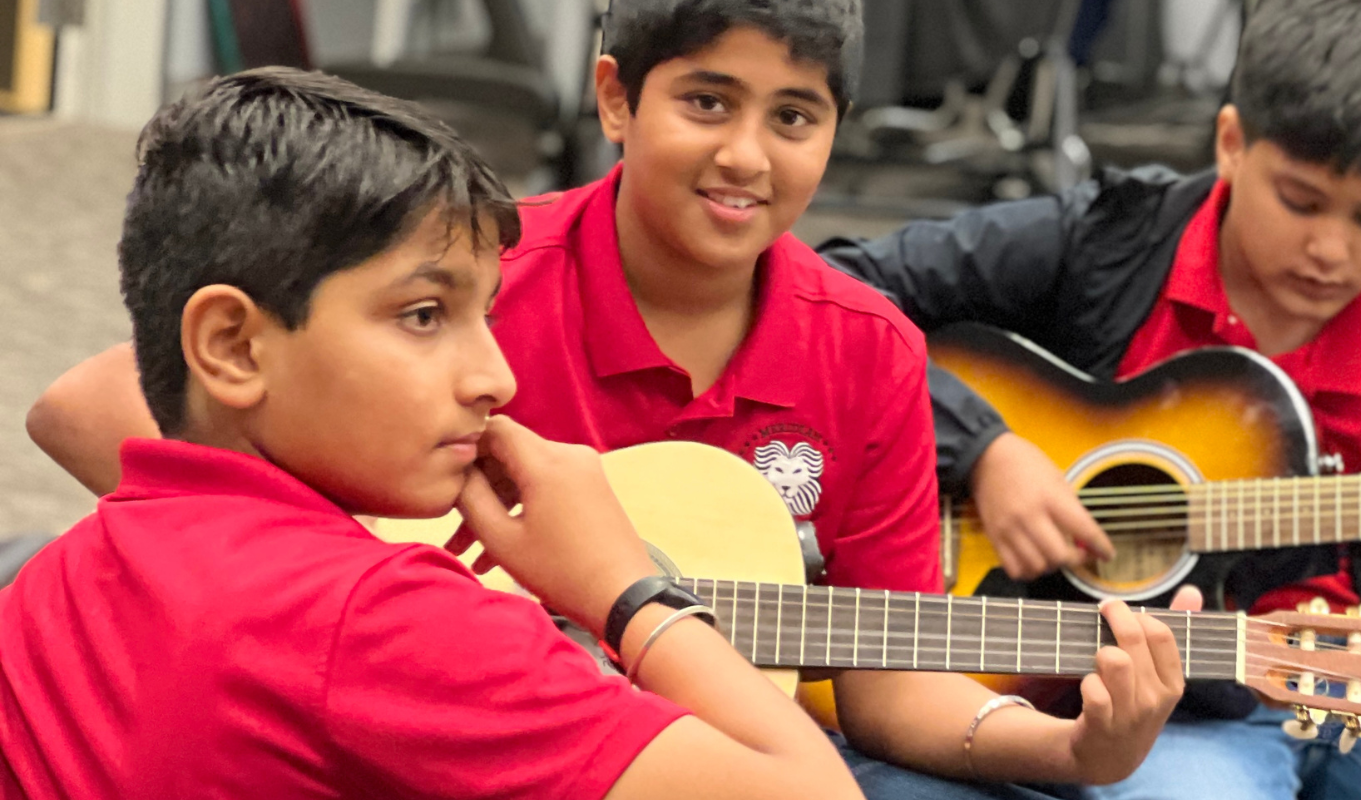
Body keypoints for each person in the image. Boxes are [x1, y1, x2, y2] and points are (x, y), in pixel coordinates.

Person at [23, 3, 1191, 798]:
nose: (745, 154)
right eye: (707, 102)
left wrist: (1072, 743)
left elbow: (889, 674)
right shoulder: (478, 253)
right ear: (615, 99)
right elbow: (94, 403)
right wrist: (570, 582)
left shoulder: (867, 345)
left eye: (793, 116)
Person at [0, 67, 864, 799]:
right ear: (232, 345)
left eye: (483, 314)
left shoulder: (62, 574)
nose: (497, 377)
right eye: (423, 314)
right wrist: (628, 589)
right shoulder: (381, 622)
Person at [817, 0, 1361, 797]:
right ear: (1232, 142)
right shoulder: (1110, 238)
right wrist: (986, 449)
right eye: (1301, 201)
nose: (1331, 248)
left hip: (1360, 687)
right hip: (1168, 711)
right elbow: (835, 287)